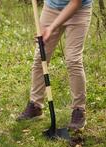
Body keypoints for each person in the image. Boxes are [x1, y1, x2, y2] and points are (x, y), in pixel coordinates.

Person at [17, 0, 92, 132]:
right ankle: (35, 106)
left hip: (79, 10)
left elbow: (75, 3)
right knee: (41, 56)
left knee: (73, 60)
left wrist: (52, 28)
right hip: (51, 8)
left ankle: (79, 110)